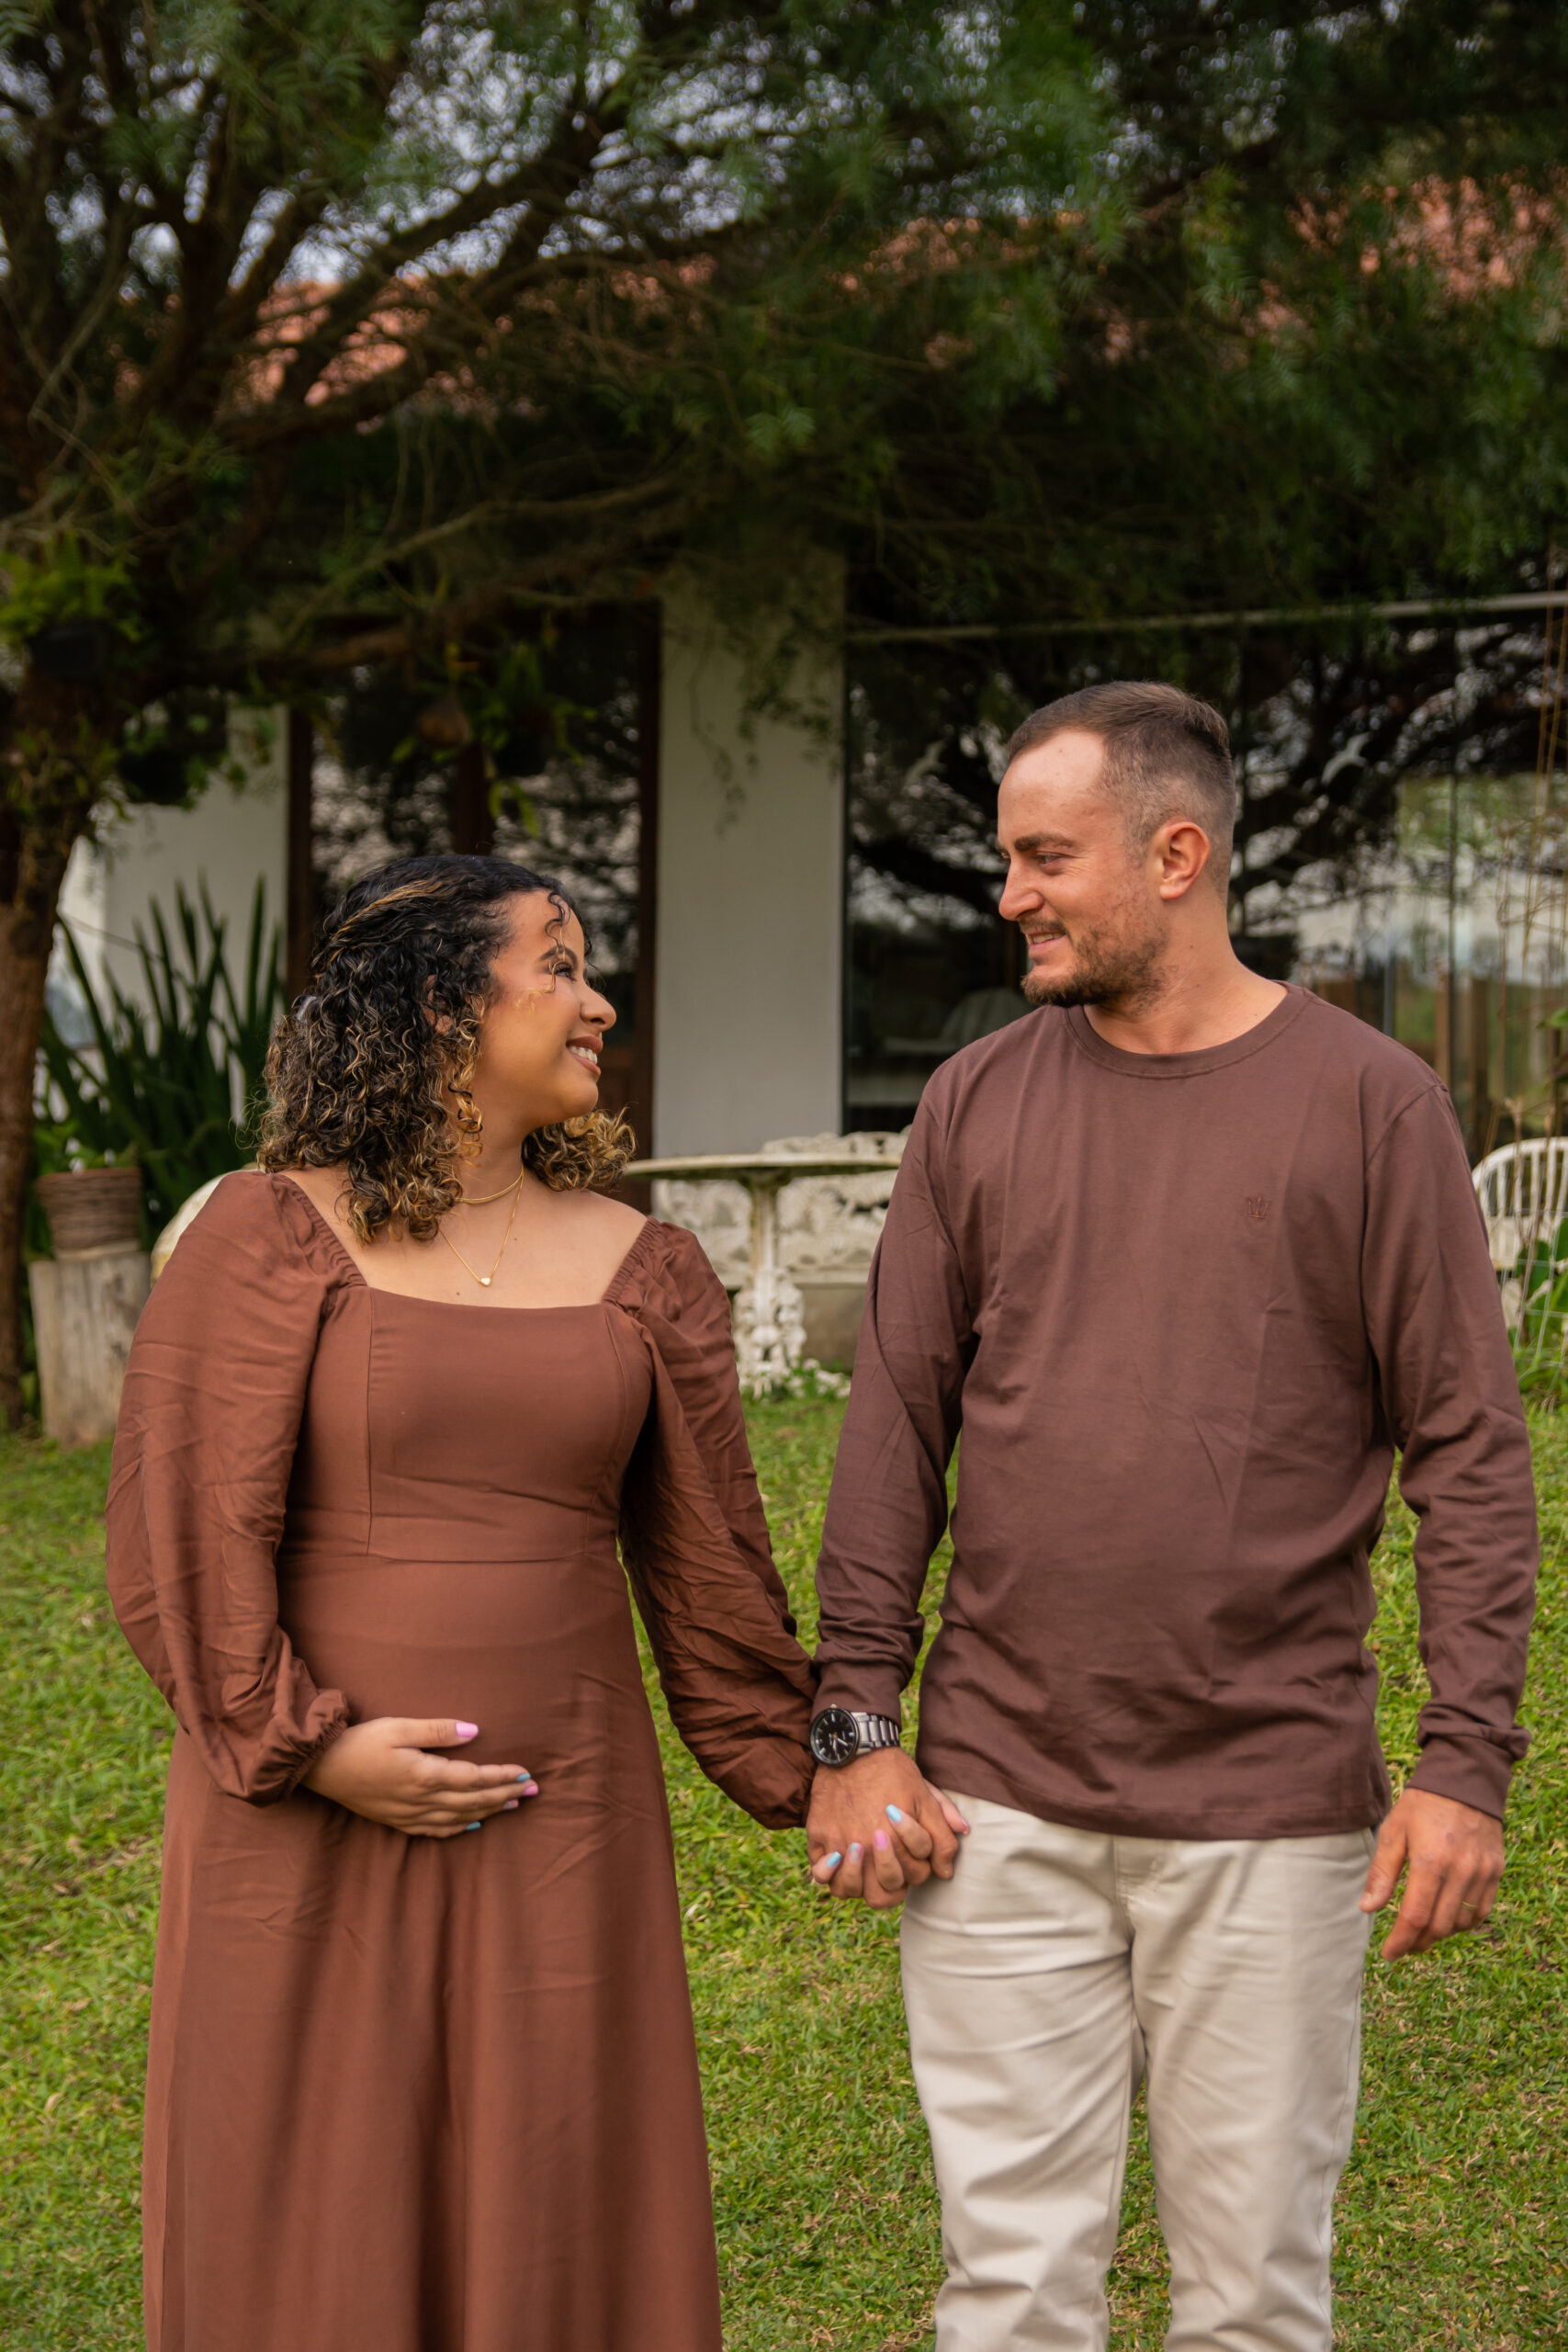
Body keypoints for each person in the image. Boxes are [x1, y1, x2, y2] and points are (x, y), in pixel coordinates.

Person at [805, 683, 1537, 2352]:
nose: (1012, 896)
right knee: (1008, 2294)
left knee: (1254, 2300)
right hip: (994, 1806)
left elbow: (1470, 1452)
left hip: (1270, 1808)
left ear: (1177, 855)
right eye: (1008, 859)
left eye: (1045, 858)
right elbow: (896, 1420)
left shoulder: (1373, 1106)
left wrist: (1464, 1762)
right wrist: (856, 1722)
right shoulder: (975, 1102)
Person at [107, 854, 815, 2352]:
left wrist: (829, 1774)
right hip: (301, 1831)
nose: (597, 1003)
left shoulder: (647, 1268)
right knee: (317, 2201)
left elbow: (714, 1583)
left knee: (554, 2188)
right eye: (558, 966)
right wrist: (312, 1750)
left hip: (563, 1822)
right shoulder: (265, 1235)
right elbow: (185, 1540)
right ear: (440, 1004)